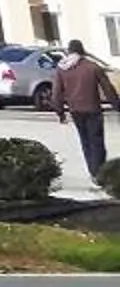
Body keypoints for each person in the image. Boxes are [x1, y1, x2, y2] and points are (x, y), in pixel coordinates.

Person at [56, 40, 116, 184]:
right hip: (93, 109)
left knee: (86, 142)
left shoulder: (62, 69)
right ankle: (99, 173)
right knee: (97, 142)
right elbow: (108, 89)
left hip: (75, 110)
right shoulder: (92, 67)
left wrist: (60, 112)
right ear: (82, 51)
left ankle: (93, 172)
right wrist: (116, 105)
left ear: (69, 51)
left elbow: (56, 93)